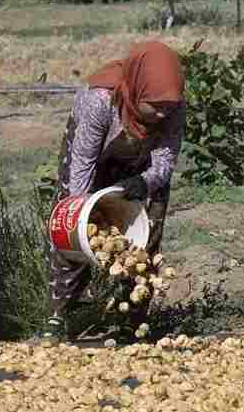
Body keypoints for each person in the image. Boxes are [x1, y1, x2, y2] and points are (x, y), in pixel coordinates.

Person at [46, 41, 186, 341]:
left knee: (147, 232)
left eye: (168, 108)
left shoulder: (173, 106)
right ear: (137, 91)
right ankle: (59, 316)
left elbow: (165, 159)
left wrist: (145, 182)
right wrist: (84, 213)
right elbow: (82, 165)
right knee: (69, 228)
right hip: (93, 159)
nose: (162, 115)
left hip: (142, 165)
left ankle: (132, 320)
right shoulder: (99, 100)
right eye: (155, 106)